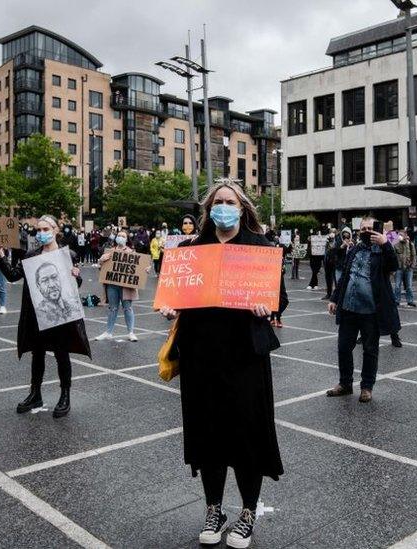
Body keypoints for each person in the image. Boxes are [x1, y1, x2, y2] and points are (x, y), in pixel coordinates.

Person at [158, 182, 282, 548]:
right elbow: (175, 296)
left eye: (230, 202)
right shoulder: (190, 250)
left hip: (246, 359)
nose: (223, 208)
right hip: (201, 358)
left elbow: (280, 298)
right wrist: (170, 306)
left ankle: (247, 512)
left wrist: (268, 306)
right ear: (209, 209)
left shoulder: (261, 248)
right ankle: (214, 508)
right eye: (218, 202)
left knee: (248, 434)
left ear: (242, 209)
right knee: (207, 434)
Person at [0, 216, 91, 418]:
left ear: (55, 230)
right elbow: (13, 275)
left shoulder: (68, 254)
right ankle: (35, 393)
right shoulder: (31, 255)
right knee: (37, 354)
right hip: (37, 314)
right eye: (38, 229)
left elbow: (75, 285)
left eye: (45, 228)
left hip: (62, 317)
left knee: (62, 354)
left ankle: (65, 396)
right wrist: (1, 257)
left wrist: (76, 275)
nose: (41, 233)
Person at [326, 217, 401, 403]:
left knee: (370, 350)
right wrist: (334, 298)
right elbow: (344, 275)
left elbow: (394, 265)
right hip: (349, 308)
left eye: (370, 228)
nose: (367, 231)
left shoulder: (382, 250)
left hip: (371, 311)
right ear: (358, 230)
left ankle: (367, 387)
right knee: (343, 347)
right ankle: (345, 384)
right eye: (363, 228)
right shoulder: (355, 249)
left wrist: (386, 244)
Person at [95, 230, 140, 341]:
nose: (120, 237)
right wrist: (101, 260)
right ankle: (108, 332)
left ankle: (130, 332)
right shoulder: (109, 252)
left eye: (123, 236)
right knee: (112, 308)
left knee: (127, 308)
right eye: (119, 235)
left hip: (126, 286)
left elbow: (138, 269)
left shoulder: (131, 252)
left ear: (126, 239)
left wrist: (145, 270)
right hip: (112, 285)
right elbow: (102, 268)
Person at [393, 228, 417, 307]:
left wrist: (412, 266)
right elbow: (393, 256)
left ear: (406, 235)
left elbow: (414, 255)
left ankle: (410, 300)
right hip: (398, 268)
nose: (400, 236)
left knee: (409, 286)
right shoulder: (395, 244)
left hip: (408, 268)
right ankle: (396, 300)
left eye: (402, 235)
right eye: (399, 235)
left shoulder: (410, 244)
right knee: (397, 286)